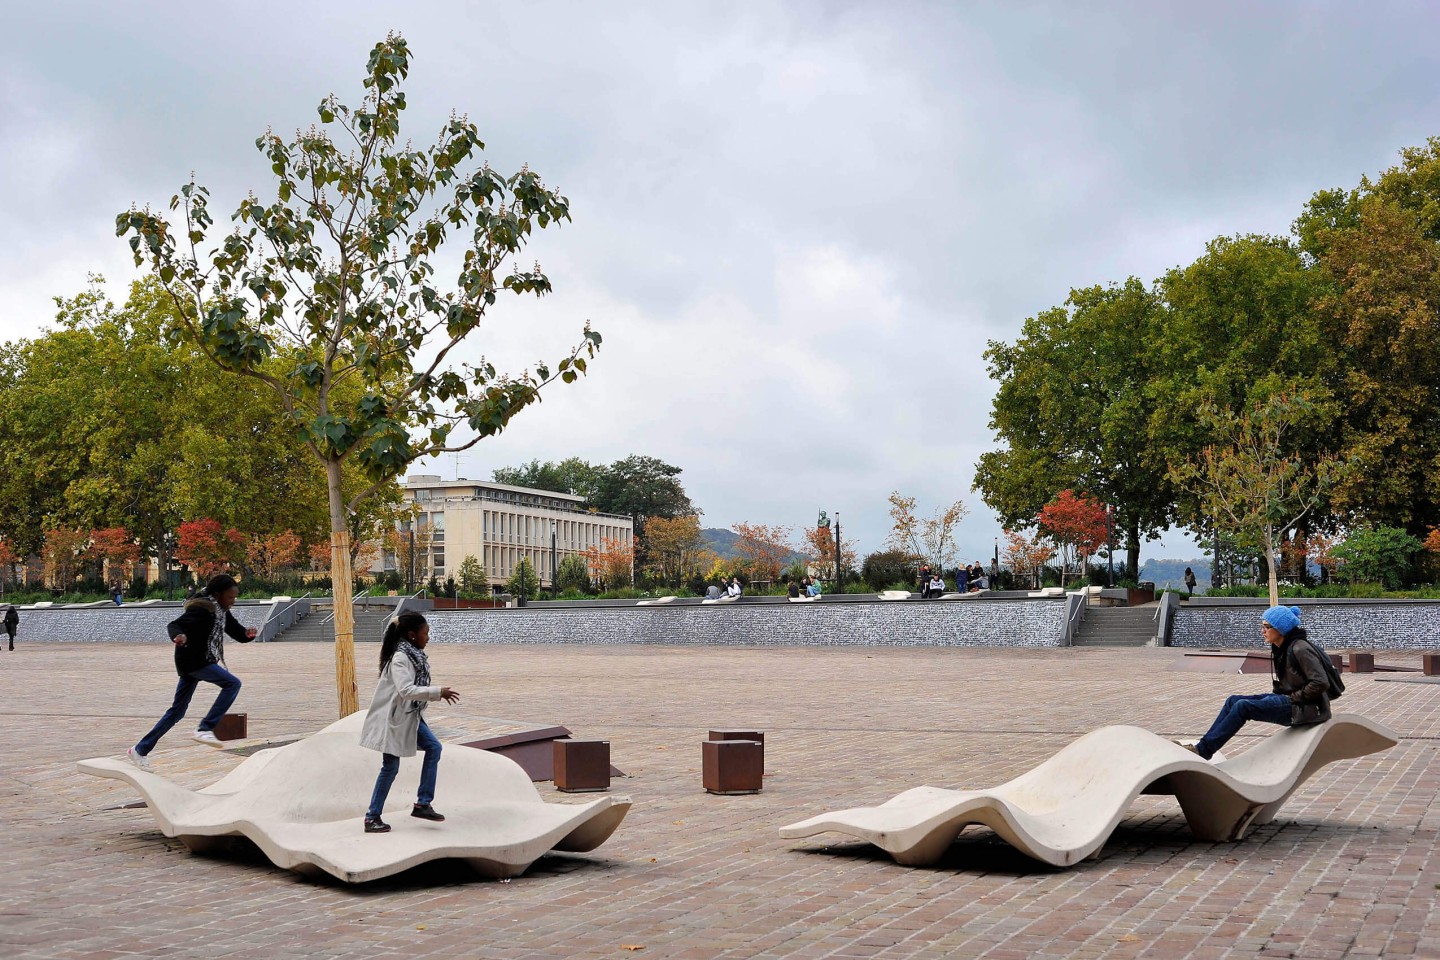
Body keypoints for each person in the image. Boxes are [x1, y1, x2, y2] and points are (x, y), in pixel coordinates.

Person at [128, 574, 255, 769]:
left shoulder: (221, 611)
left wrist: (247, 635)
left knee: (176, 712)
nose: (233, 601)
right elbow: (174, 625)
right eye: (230, 597)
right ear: (218, 594)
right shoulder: (202, 608)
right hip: (194, 661)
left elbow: (237, 632)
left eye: (235, 597)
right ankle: (205, 728)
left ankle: (140, 749)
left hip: (197, 661)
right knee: (232, 683)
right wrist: (178, 635)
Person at [1185, 605, 1336, 760]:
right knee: (1232, 701)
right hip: (1289, 699)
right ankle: (1201, 747)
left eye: (1266, 627)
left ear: (1280, 629)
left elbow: (1320, 682)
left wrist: (1295, 697)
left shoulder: (1300, 649)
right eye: (1262, 626)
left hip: (1303, 708)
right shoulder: (1283, 647)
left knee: (1242, 707)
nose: (1262, 631)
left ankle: (1203, 751)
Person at [359, 611, 461, 833]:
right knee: (390, 767)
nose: (428, 637)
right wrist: (438, 692)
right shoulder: (400, 658)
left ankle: (422, 804)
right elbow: (406, 690)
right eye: (426, 633)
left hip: (410, 716)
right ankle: (371, 817)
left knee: (434, 748)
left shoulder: (414, 654)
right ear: (412, 635)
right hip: (393, 720)